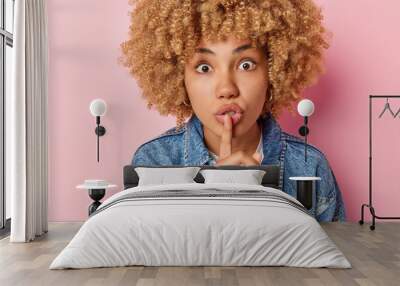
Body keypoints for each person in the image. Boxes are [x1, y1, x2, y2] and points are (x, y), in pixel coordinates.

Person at [120, 0, 345, 221]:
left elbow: (330, 255)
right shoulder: (155, 162)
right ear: (179, 79)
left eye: (246, 65)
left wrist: (261, 201)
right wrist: (219, 199)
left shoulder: (309, 167)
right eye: (204, 67)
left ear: (274, 72)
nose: (227, 89)